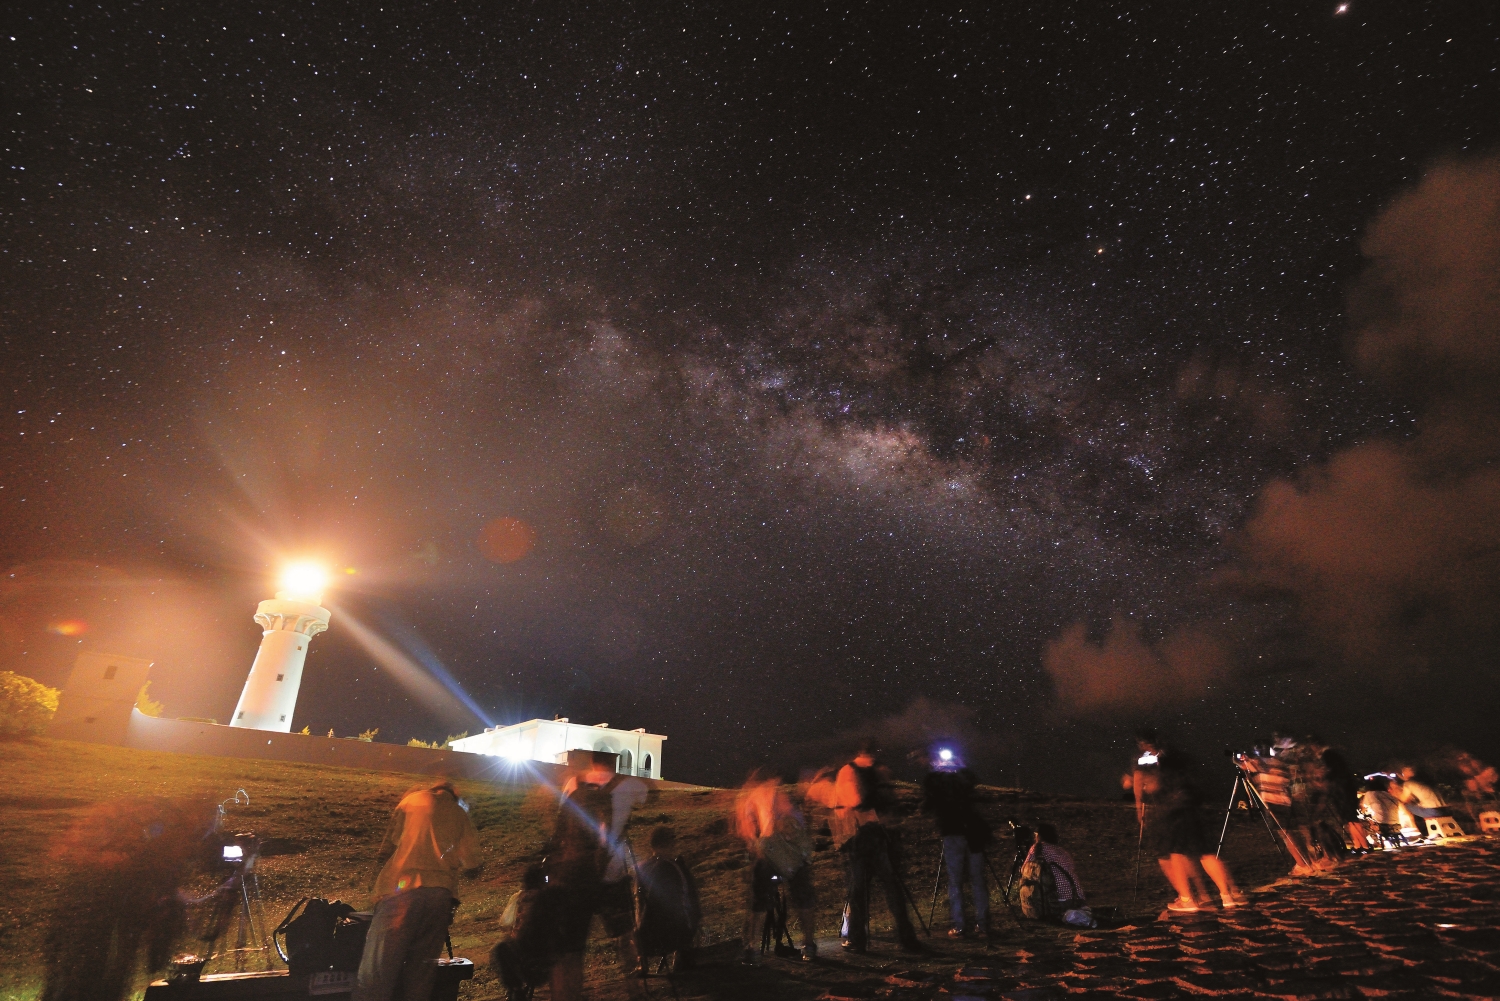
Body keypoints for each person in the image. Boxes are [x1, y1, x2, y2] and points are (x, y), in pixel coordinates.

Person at [354, 779, 482, 1001]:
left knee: (377, 971)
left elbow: (389, 845)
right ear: (453, 795)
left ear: (433, 789)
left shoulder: (411, 801)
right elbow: (473, 864)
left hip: (400, 893)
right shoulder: (459, 813)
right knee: (420, 975)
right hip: (440, 899)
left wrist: (374, 882)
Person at [546, 753, 649, 1001]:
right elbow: (645, 795)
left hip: (575, 877)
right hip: (611, 874)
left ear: (592, 762)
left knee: (572, 948)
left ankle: (567, 996)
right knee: (624, 938)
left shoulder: (573, 783)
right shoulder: (628, 785)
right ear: (615, 763)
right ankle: (636, 992)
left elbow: (562, 824)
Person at [807, 750, 921, 954]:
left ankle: (856, 939)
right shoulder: (862, 776)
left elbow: (817, 794)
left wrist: (817, 780)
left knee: (858, 890)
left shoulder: (839, 782)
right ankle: (906, 936)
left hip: (857, 839)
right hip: (876, 834)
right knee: (890, 885)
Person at [1132, 733, 1246, 913]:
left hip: (1172, 810)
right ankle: (1227, 896)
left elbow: (1153, 786)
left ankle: (1187, 900)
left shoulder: (1155, 762)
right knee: (1206, 853)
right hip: (1192, 806)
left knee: (1176, 853)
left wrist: (1139, 787)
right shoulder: (1182, 758)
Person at [736, 775, 818, 962]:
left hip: (772, 855)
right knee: (803, 894)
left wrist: (755, 846)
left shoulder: (752, 796)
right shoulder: (783, 795)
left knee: (758, 897)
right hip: (794, 855)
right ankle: (809, 944)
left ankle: (753, 948)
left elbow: (747, 829)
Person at [920, 748, 991, 938]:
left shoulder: (936, 780)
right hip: (973, 833)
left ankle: (960, 926)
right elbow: (973, 782)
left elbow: (927, 802)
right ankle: (983, 924)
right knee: (977, 881)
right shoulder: (963, 778)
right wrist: (961, 767)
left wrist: (936, 770)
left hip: (953, 833)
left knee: (956, 882)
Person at [634, 826, 702, 972]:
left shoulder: (641, 868)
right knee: (689, 915)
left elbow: (639, 903)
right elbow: (689, 900)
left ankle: (642, 963)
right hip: (671, 935)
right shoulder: (674, 867)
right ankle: (681, 956)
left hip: (644, 937)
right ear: (670, 844)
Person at [1019, 823, 1090, 926]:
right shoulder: (1062, 851)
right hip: (1077, 899)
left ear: (1038, 835)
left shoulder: (1038, 848)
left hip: (1057, 901)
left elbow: (1024, 870)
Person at [1361, 774, 1405, 847]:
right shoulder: (1389, 795)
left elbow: (1364, 807)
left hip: (1383, 826)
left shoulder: (1370, 794)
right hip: (1397, 825)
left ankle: (1374, 842)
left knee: (1364, 823)